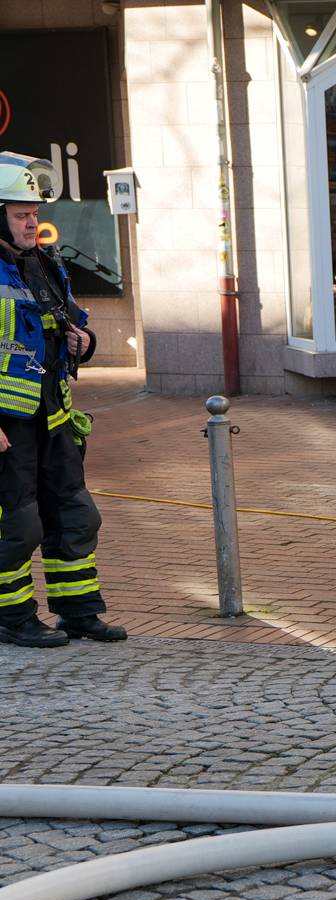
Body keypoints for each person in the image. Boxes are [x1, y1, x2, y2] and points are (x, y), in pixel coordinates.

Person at [0, 152, 122, 648]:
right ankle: (11, 617)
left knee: (74, 515)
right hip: (9, 425)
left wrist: (83, 342)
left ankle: (78, 612)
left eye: (34, 214)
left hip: (53, 415)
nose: (33, 223)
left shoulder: (45, 263)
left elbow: (72, 322)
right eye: (21, 215)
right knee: (16, 523)